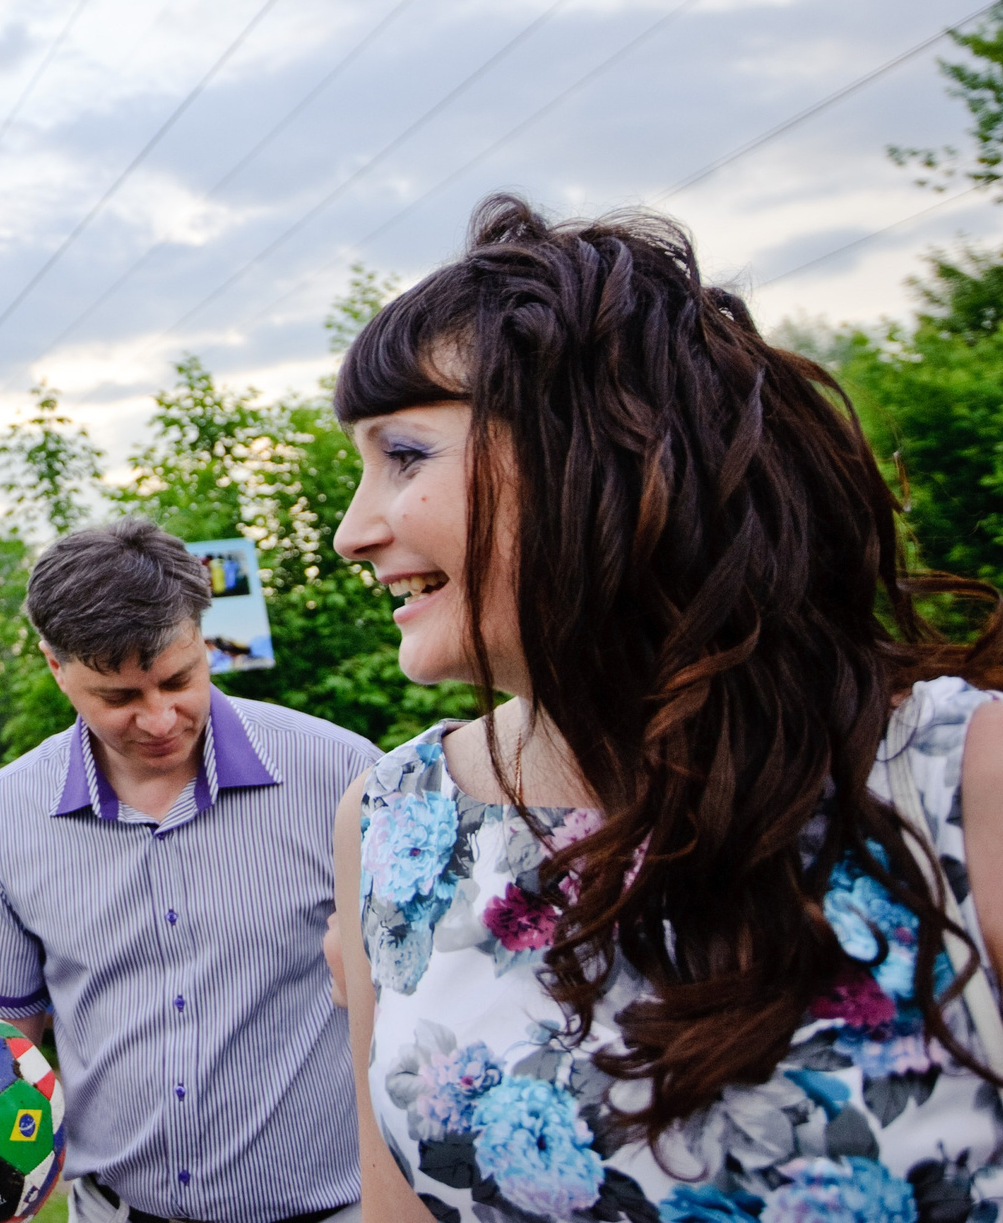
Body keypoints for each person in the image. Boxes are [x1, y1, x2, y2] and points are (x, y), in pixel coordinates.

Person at [327, 196, 1003, 1223]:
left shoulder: (959, 776)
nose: (351, 530)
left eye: (404, 456)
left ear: (589, 453)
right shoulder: (392, 822)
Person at [0, 519, 378, 1223]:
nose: (159, 718)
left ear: (203, 638)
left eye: (179, 679)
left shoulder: (343, 774)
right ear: (56, 666)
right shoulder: (3, 814)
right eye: (118, 698)